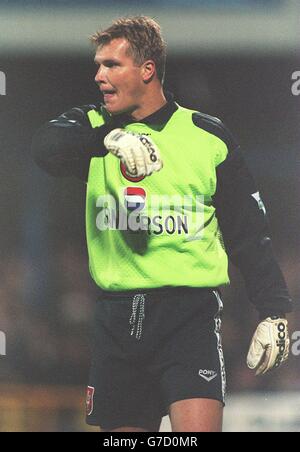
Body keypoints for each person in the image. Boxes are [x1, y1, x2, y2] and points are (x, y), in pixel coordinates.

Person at [32, 16, 292, 433]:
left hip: (188, 317)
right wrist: (108, 141)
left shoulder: (208, 138)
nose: (99, 75)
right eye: (98, 65)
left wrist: (275, 310)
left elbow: (249, 233)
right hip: (115, 319)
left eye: (112, 65)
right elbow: (44, 146)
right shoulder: (93, 127)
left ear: (147, 70)